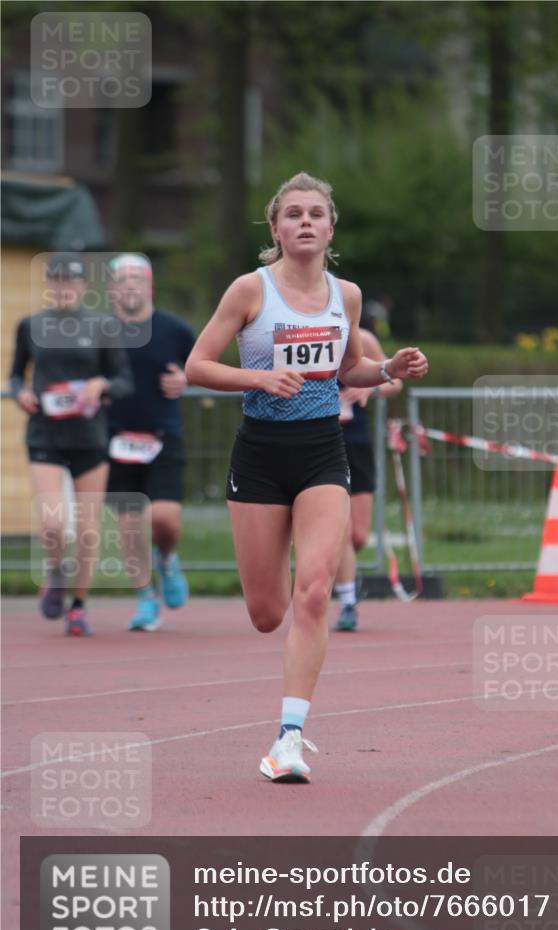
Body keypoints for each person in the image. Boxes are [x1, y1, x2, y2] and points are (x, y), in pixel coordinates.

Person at [185, 172, 428, 783]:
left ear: (330, 227)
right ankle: (284, 609)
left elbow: (352, 371)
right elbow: (197, 365)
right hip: (261, 456)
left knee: (314, 592)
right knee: (268, 613)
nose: (304, 223)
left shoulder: (345, 295)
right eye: (292, 214)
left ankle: (289, 737)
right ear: (275, 228)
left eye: (315, 214)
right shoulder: (250, 290)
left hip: (324, 450)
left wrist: (389, 368)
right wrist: (258, 378)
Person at [9, 251, 134, 636]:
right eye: (57, 281)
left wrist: (101, 385)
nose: (64, 288)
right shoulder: (31, 325)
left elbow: (123, 381)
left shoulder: (102, 327)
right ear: (49, 285)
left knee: (87, 529)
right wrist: (20, 394)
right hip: (45, 433)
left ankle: (78, 605)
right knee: (52, 521)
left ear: (82, 286)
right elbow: (16, 376)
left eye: (71, 281)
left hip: (89, 438)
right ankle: (55, 570)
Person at [105, 253, 195, 632]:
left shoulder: (176, 330)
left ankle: (168, 560)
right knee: (128, 526)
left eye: (136, 278)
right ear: (111, 290)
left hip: (162, 437)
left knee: (164, 519)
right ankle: (145, 599)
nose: (129, 285)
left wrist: (187, 380)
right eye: (122, 279)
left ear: (150, 285)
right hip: (115, 440)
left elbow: (203, 367)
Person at [333, 325, 402, 632]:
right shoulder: (303, 332)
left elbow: (394, 381)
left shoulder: (364, 338)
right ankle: (348, 602)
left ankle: (346, 576)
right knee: (341, 531)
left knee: (358, 535)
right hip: (321, 440)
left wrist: (369, 387)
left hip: (356, 440)